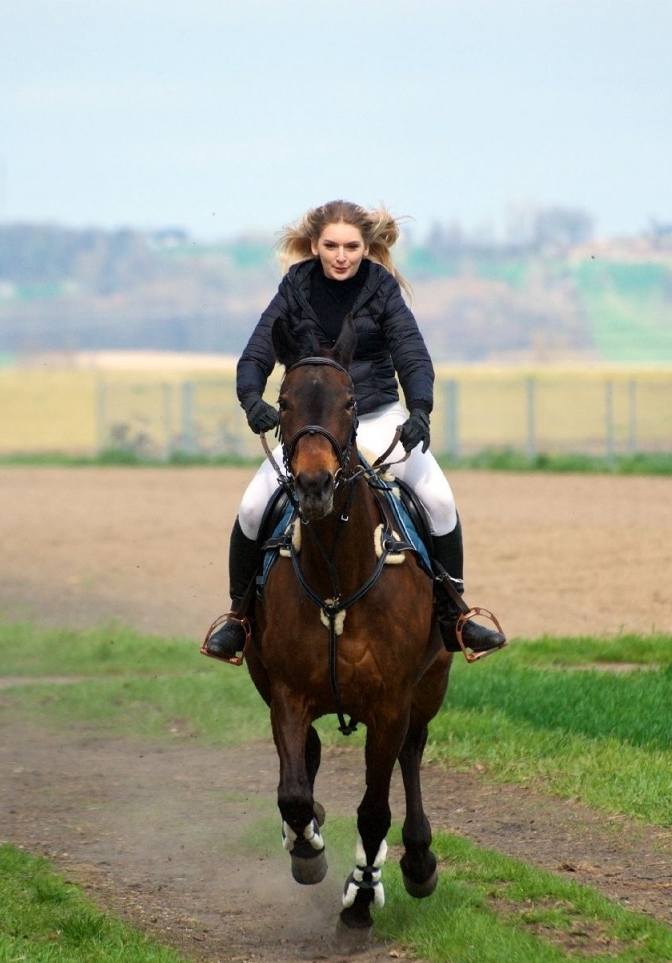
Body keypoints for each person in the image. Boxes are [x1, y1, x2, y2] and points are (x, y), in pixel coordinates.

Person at [202, 199, 505, 662]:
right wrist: (251, 400)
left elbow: (411, 354)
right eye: (331, 246)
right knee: (251, 508)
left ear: (366, 247)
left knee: (440, 501)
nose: (341, 256)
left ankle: (454, 617)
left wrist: (419, 411)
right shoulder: (295, 286)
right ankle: (239, 620)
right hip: (311, 426)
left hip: (376, 416)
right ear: (314, 246)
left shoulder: (381, 288)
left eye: (351, 247)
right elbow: (257, 353)